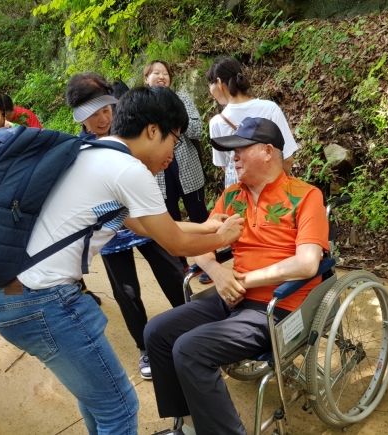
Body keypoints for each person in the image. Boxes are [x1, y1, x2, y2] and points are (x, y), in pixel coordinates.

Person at [0, 85, 244, 435]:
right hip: (45, 300)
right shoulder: (127, 170)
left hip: (12, 294)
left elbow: (145, 225)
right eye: (174, 139)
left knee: (98, 402)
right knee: (119, 409)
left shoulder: (92, 152)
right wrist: (224, 237)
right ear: (152, 130)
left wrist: (205, 226)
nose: (172, 153)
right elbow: (174, 243)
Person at [144, 117, 329, 435]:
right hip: (232, 297)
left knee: (189, 349)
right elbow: (199, 246)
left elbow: (307, 263)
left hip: (278, 307)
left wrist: (242, 281)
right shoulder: (231, 197)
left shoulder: (305, 196)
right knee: (158, 331)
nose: (234, 157)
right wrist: (218, 273)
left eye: (241, 149)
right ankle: (188, 427)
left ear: (268, 151)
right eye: (232, 151)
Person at [66, 72, 187, 380]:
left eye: (106, 109)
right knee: (127, 292)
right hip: (112, 234)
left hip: (146, 219)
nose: (103, 118)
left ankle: (193, 325)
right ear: (80, 116)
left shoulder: (129, 131)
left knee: (173, 274)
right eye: (93, 114)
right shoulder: (81, 150)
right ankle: (146, 347)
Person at [143, 60, 210, 275]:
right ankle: (181, 265)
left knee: (199, 216)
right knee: (170, 220)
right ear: (146, 79)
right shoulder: (143, 105)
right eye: (156, 73)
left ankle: (209, 262)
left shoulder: (182, 99)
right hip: (158, 171)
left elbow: (197, 130)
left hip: (187, 166)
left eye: (165, 73)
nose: (162, 76)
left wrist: (176, 115)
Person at [206, 57, 299, 189]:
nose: (210, 89)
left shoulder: (216, 123)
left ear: (219, 83)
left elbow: (226, 167)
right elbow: (287, 159)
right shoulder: (270, 109)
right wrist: (278, 189)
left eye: (210, 83)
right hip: (272, 190)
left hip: (239, 195)